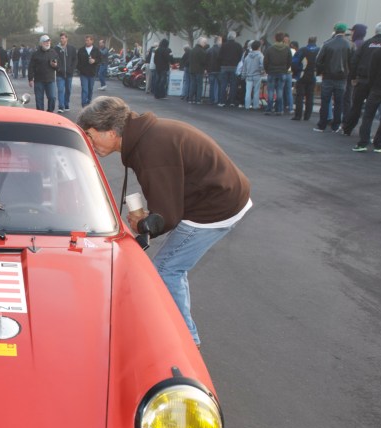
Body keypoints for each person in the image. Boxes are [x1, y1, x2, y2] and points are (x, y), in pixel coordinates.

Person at [78, 97, 252, 347]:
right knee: (171, 267)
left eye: (90, 135)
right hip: (214, 196)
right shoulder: (146, 138)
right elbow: (168, 197)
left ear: (111, 132)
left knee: (166, 270)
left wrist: (141, 223)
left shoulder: (152, 149)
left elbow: (165, 218)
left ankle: (186, 341)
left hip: (216, 207)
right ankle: (177, 329)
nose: (89, 142)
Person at [342, 22, 381, 135]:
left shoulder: (367, 43)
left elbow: (354, 61)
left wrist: (353, 77)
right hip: (378, 81)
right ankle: (371, 134)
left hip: (362, 79)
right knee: (373, 109)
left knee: (356, 106)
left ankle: (347, 129)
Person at [313, 24, 354, 132]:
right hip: (342, 78)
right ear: (344, 31)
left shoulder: (327, 44)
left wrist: (321, 71)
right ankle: (336, 126)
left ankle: (322, 124)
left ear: (335, 30)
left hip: (328, 76)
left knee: (325, 101)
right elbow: (353, 62)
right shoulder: (350, 44)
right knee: (339, 102)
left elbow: (318, 61)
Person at [291, 36, 319, 121]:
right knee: (310, 96)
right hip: (313, 74)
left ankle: (298, 115)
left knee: (300, 96)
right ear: (315, 41)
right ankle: (307, 116)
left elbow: (294, 62)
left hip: (302, 74)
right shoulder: (319, 50)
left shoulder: (303, 50)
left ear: (308, 41)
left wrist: (296, 72)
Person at [28, 34, 57, 112]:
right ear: (41, 43)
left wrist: (55, 65)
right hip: (39, 80)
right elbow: (31, 67)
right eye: (45, 42)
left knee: (52, 97)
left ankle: (50, 112)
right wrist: (30, 79)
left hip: (50, 80)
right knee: (39, 99)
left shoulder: (53, 52)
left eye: (48, 41)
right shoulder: (35, 54)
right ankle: (40, 115)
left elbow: (58, 65)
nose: (47, 43)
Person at [264, 32, 290, 114]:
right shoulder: (287, 49)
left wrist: (267, 70)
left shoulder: (270, 49)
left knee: (270, 91)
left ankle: (269, 109)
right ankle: (279, 109)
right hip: (282, 71)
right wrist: (285, 70)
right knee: (280, 91)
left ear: (275, 38)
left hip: (271, 71)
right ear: (283, 39)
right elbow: (289, 61)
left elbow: (266, 61)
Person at [218, 31, 243, 106]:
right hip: (234, 67)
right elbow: (240, 57)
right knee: (233, 85)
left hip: (224, 67)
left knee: (223, 84)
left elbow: (219, 56)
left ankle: (222, 101)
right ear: (235, 37)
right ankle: (232, 101)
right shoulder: (238, 45)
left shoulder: (223, 45)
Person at [77, 35, 101, 106]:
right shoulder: (81, 50)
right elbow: (77, 61)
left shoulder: (96, 50)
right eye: (86, 40)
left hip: (92, 73)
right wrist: (80, 68)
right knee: (85, 90)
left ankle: (89, 102)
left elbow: (100, 59)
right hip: (83, 73)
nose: (86, 42)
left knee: (90, 89)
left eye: (88, 40)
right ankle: (84, 105)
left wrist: (94, 60)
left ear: (92, 41)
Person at [240, 40, 264, 110]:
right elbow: (262, 65)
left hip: (248, 76)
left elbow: (244, 67)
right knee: (256, 91)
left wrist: (243, 75)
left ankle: (247, 105)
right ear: (259, 47)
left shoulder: (248, 56)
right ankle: (255, 106)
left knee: (248, 91)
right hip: (257, 75)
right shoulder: (260, 55)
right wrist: (261, 71)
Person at [55, 32, 76, 112]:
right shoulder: (56, 49)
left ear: (67, 38)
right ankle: (61, 106)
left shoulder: (71, 48)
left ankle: (66, 104)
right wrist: (58, 68)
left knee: (68, 90)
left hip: (69, 73)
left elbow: (75, 59)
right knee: (60, 90)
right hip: (60, 73)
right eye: (61, 38)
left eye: (63, 38)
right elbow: (54, 59)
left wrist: (72, 68)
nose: (62, 40)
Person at [187, 37, 208, 104]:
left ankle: (190, 99)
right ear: (201, 43)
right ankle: (198, 99)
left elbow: (189, 60)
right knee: (199, 85)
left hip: (192, 69)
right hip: (199, 70)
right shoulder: (202, 51)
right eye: (205, 42)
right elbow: (204, 62)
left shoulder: (192, 50)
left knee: (192, 84)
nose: (205, 44)